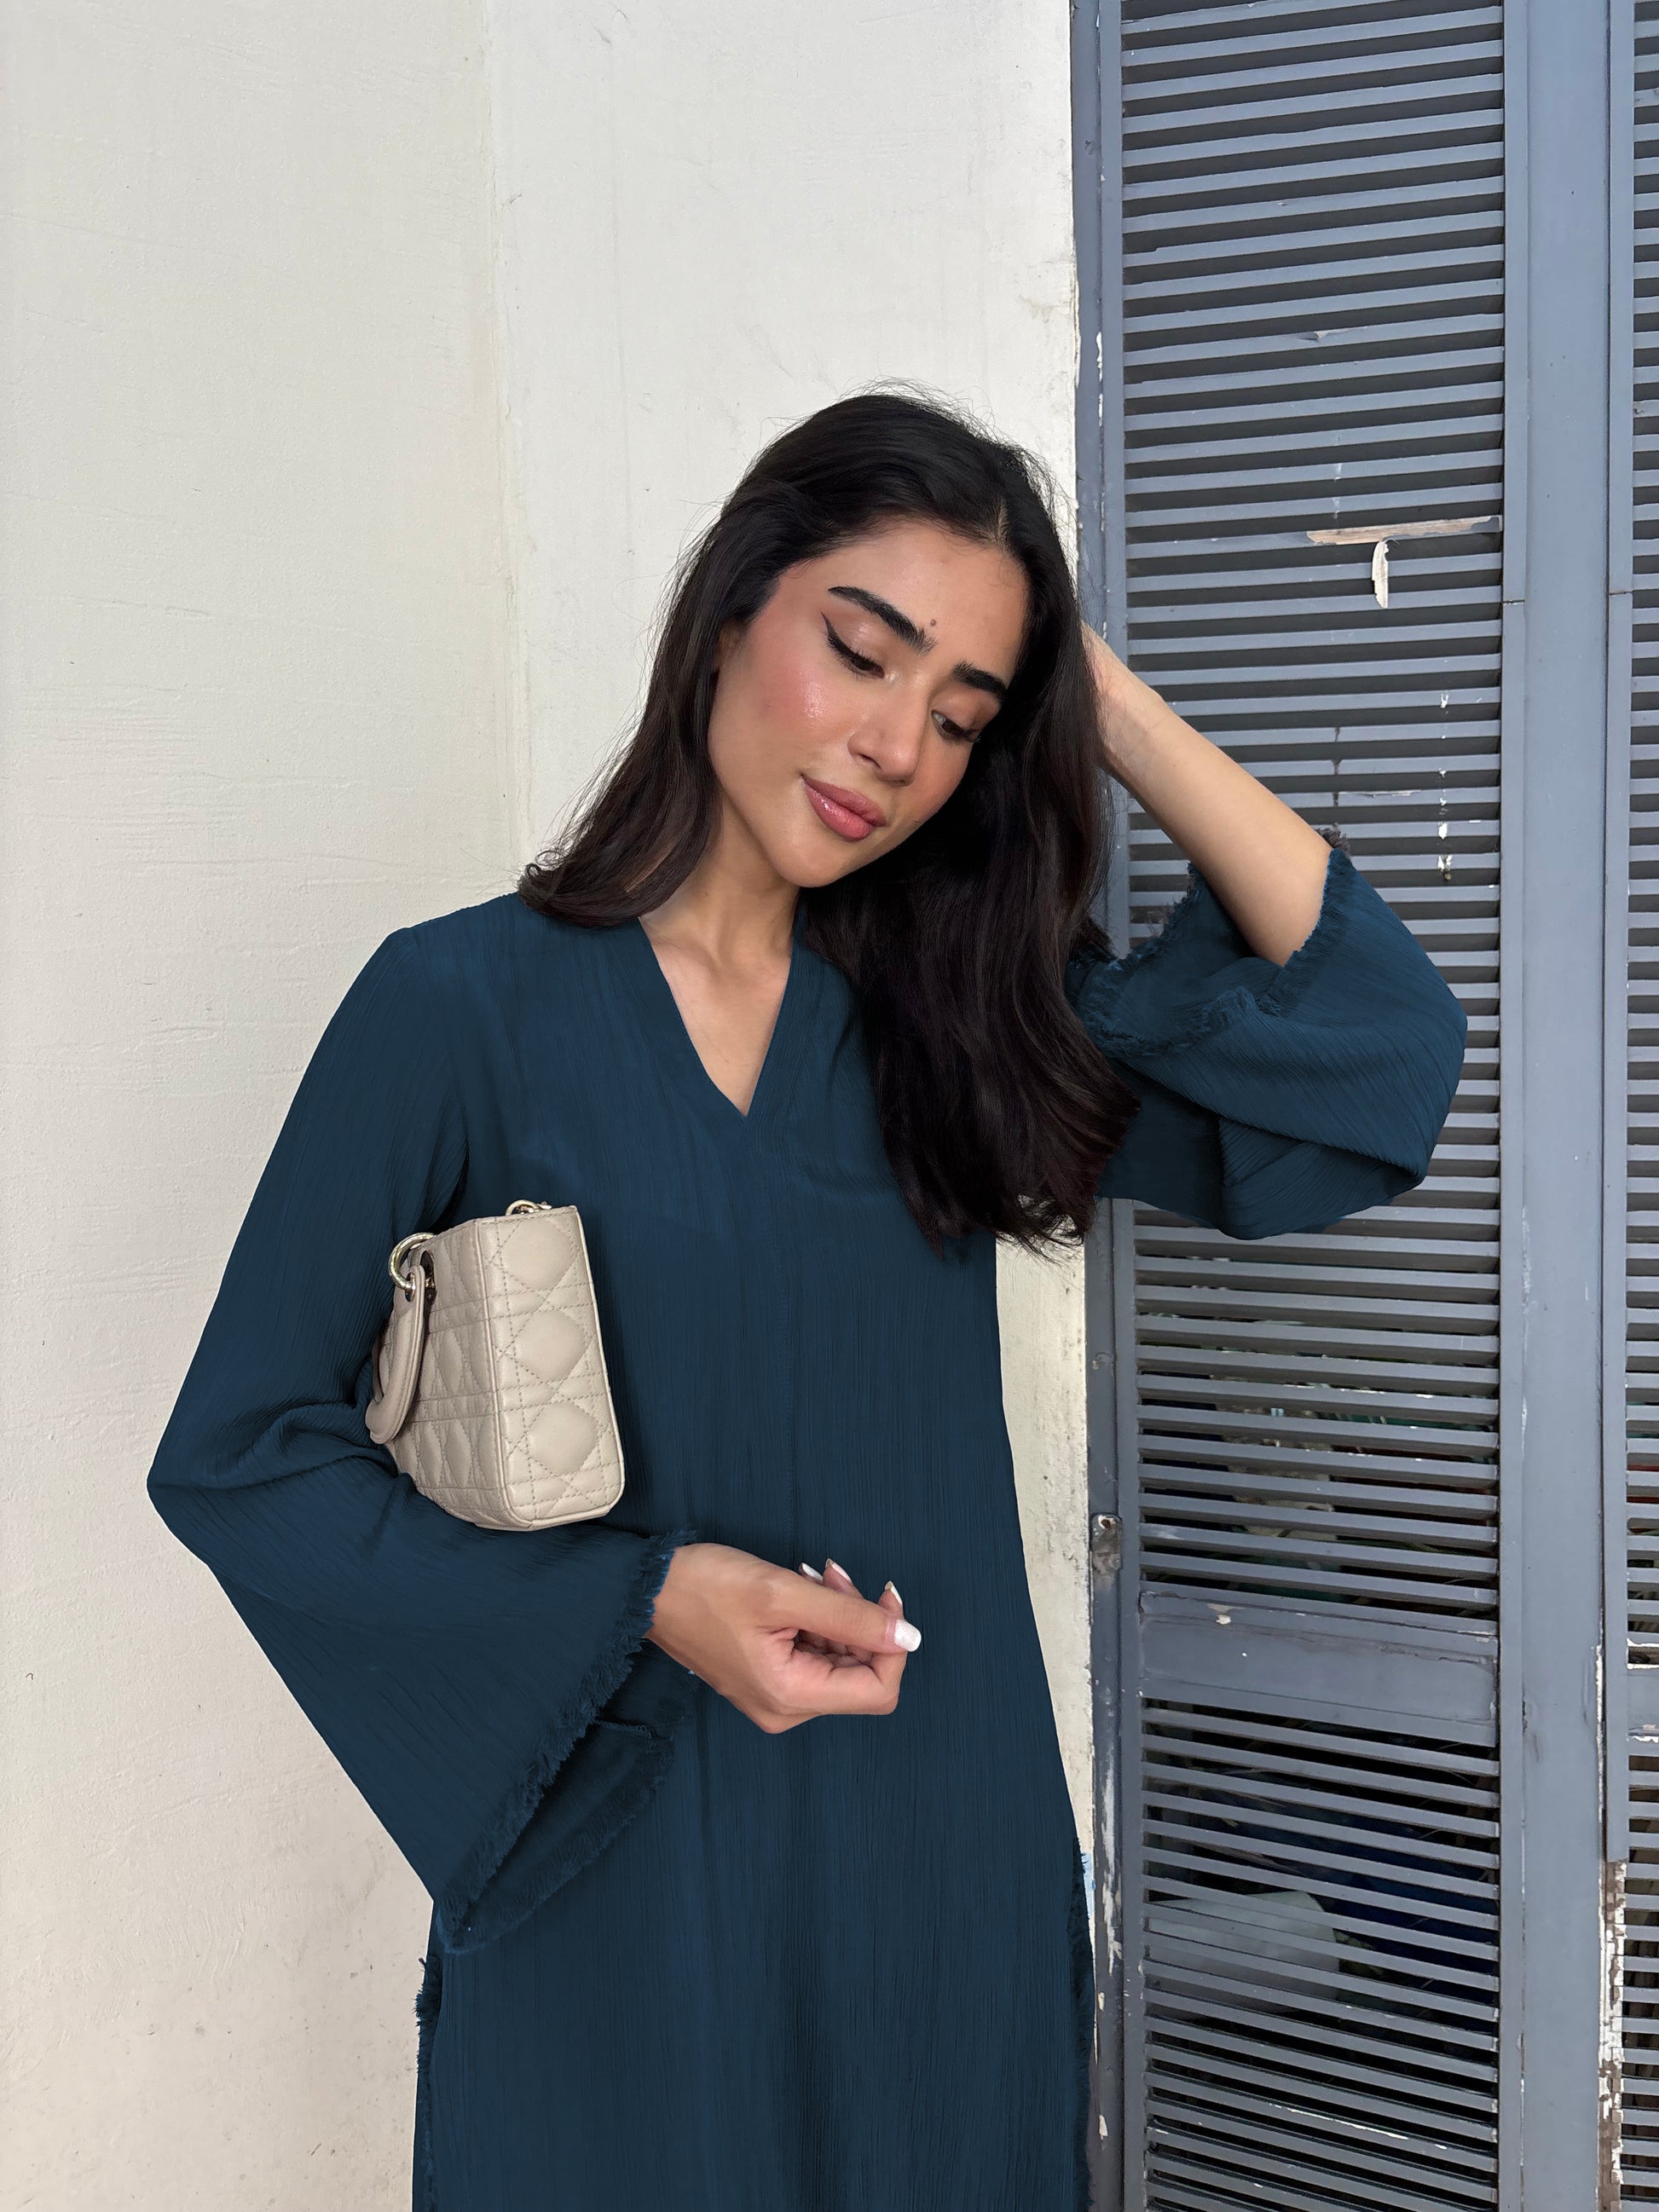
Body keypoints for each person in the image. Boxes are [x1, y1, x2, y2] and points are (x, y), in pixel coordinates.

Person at [145, 387, 1466, 2212]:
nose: (896, 746)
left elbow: (1379, 1052)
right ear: (730, 605)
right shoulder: (459, 1006)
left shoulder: (969, 1021)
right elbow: (241, 1454)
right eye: (862, 648)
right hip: (618, 1866)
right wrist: (643, 1597)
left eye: (964, 713)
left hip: (936, 1866)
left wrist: (1093, 696)